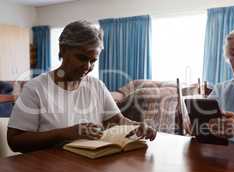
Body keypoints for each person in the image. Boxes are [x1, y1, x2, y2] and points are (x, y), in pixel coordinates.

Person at [7, 20, 156, 153]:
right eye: (82, 58)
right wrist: (65, 133)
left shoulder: (96, 86)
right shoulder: (36, 88)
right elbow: (14, 141)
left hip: (89, 167)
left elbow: (117, 120)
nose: (87, 66)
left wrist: (136, 126)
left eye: (93, 61)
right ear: (63, 50)